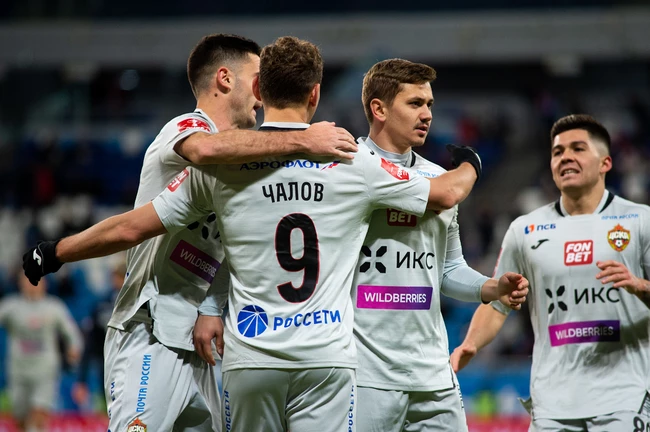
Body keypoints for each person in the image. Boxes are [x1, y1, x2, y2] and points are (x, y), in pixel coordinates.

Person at [23, 36, 482, 432]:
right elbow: (444, 193)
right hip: (161, 327)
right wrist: (306, 140)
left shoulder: (228, 166)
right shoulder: (203, 138)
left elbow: (148, 227)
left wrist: (210, 305)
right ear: (314, 94)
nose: (258, 99)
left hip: (230, 348)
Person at [347, 58, 529, 432]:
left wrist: (491, 287)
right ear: (379, 109)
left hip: (433, 373)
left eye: (429, 104)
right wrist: (470, 165)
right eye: (415, 103)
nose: (427, 114)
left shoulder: (437, 176)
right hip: (365, 374)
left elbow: (447, 268)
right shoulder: (349, 168)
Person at [451, 114, 650, 432]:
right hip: (552, 405)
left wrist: (641, 286)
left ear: (606, 163)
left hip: (624, 398)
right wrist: (470, 343)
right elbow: (499, 303)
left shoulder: (640, 221)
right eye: (558, 152)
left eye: (578, 148)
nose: (565, 157)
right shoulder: (525, 230)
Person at [0, 273, 83, 432]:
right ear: (20, 283)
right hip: (18, 369)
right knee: (21, 417)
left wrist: (74, 347)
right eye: (27, 280)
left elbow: (71, 331)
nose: (31, 284)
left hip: (45, 369)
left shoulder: (54, 307)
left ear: (44, 283)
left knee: (40, 411)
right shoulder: (10, 306)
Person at [72, 261, 125, 412]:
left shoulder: (141, 303)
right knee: (111, 410)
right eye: (116, 277)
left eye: (121, 277)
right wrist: (82, 380)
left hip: (132, 362)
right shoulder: (102, 305)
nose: (118, 281)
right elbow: (90, 342)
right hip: (108, 365)